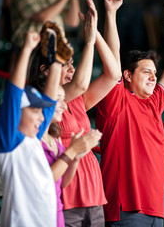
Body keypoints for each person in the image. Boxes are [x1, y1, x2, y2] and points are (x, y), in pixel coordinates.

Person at [95, 0, 164, 227]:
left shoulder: (153, 104)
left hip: (156, 211)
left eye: (154, 73)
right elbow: (112, 60)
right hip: (126, 211)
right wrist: (110, 14)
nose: (153, 77)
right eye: (146, 71)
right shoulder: (115, 101)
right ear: (127, 76)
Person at [29, 0, 122, 226]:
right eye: (66, 66)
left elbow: (114, 75)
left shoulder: (78, 101)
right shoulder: (43, 102)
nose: (71, 71)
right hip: (67, 196)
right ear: (46, 70)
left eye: (72, 66)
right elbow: (80, 83)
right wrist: (88, 42)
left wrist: (95, 32)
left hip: (93, 191)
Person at [0, 30, 62, 227]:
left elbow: (50, 100)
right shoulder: (9, 145)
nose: (41, 118)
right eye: (35, 111)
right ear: (18, 113)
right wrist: (27, 49)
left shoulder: (34, 138)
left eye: (41, 112)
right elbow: (13, 93)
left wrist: (56, 63)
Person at [42, 85, 103, 227]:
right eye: (58, 99)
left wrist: (75, 157)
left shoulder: (54, 139)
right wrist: (73, 151)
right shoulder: (30, 139)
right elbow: (45, 181)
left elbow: (62, 181)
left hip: (61, 212)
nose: (64, 104)